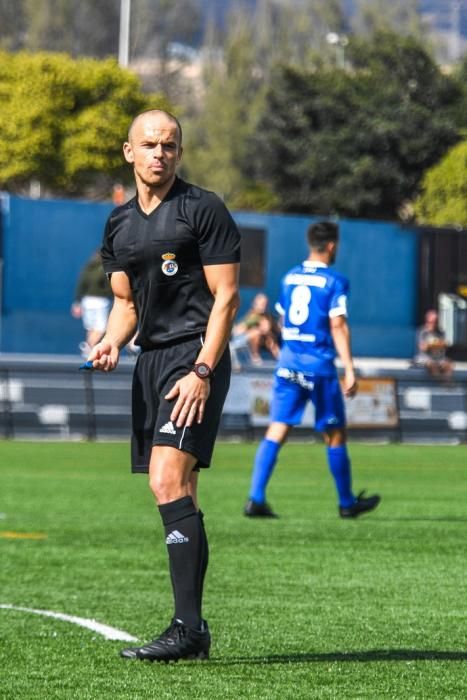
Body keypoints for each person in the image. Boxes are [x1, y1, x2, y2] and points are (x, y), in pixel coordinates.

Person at [87, 109, 241, 662]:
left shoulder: (203, 209)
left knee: (166, 479)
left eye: (170, 145)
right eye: (149, 144)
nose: (160, 153)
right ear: (129, 152)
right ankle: (192, 631)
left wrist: (202, 370)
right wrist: (109, 340)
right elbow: (126, 304)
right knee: (183, 494)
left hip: (195, 355)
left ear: (179, 152)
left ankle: (186, 628)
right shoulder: (119, 224)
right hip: (150, 361)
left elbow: (227, 298)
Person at [243, 221, 380, 520]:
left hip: (289, 364)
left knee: (277, 428)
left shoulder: (290, 277)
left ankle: (255, 498)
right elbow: (338, 325)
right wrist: (350, 369)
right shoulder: (335, 281)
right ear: (332, 245)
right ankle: (346, 503)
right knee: (334, 434)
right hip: (318, 367)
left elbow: (281, 321)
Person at [71, 249, 112, 357]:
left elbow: (81, 285)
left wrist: (77, 302)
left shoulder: (87, 268)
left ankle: (89, 352)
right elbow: (110, 286)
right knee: (101, 328)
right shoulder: (105, 268)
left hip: (86, 301)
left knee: (91, 328)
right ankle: (89, 346)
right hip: (100, 301)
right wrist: (111, 294)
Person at [231, 292, 280, 365]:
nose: (263, 306)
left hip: (267, 341)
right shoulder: (252, 316)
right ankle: (255, 356)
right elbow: (238, 330)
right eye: (261, 304)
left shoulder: (268, 316)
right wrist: (259, 329)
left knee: (270, 340)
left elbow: (275, 329)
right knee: (257, 333)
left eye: (265, 304)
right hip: (246, 341)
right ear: (255, 304)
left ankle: (280, 358)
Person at [414, 309, 453, 379]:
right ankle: (438, 382)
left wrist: (442, 345)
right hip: (425, 358)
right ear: (427, 321)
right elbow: (422, 347)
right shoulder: (422, 332)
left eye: (435, 322)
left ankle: (447, 385)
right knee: (432, 365)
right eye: (431, 322)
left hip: (439, 357)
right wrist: (432, 345)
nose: (433, 324)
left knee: (448, 364)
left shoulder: (440, 333)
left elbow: (444, 346)